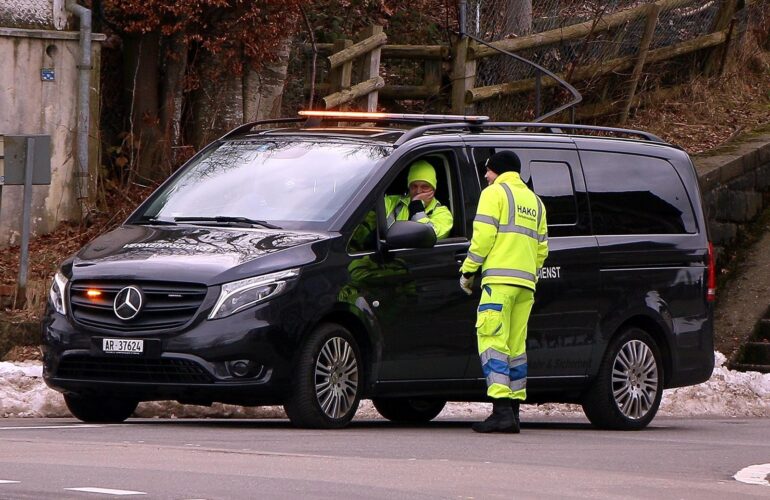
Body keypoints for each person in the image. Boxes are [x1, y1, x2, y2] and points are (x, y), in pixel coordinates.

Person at [459, 150, 548, 433]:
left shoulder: (494, 194)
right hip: (525, 286)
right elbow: (542, 248)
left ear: (498, 170)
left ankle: (500, 410)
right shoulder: (536, 202)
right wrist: (529, 274)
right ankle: (514, 411)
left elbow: (483, 237)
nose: (485, 176)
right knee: (516, 348)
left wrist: (469, 269)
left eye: (488, 171)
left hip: (498, 282)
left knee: (492, 341)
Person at [350, 160, 453, 251]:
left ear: (433, 189)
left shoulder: (443, 213)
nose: (418, 191)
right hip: (385, 258)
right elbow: (361, 221)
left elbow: (430, 235)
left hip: (419, 262)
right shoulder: (392, 202)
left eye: (425, 187)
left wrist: (416, 206)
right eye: (414, 186)